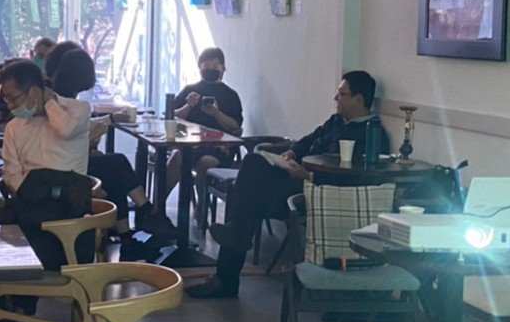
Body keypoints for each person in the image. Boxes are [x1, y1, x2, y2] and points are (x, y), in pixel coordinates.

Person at [186, 71, 389, 300]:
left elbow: (353, 181)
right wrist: (291, 153)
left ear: (359, 99)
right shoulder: (335, 122)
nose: (336, 98)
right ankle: (233, 247)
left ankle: (227, 275)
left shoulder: (372, 135)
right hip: (296, 179)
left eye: (342, 94)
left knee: (246, 200)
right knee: (253, 164)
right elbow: (307, 141)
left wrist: (307, 175)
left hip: (317, 193)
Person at [49, 45, 170, 236]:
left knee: (114, 171)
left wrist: (109, 120)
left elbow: (81, 128)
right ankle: (146, 213)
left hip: (61, 164)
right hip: (64, 168)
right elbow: (77, 131)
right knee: (116, 163)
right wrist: (106, 124)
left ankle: (131, 227)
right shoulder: (66, 103)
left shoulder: (52, 97)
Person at [0, 58, 89, 193]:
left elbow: (66, 130)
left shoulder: (78, 109)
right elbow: (11, 173)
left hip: (70, 198)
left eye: (13, 98)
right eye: (7, 99)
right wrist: (31, 193)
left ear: (34, 92)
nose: (10, 106)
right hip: (30, 197)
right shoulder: (13, 127)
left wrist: (49, 102)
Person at [166, 47, 244, 196]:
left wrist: (216, 113)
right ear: (200, 68)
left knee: (205, 163)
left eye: (215, 65)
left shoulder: (231, 95)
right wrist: (188, 106)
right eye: (206, 65)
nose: (210, 69)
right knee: (176, 158)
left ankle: (201, 207)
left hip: (219, 149)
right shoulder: (190, 89)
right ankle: (157, 204)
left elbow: (235, 126)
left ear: (223, 68)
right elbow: (171, 116)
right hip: (188, 145)